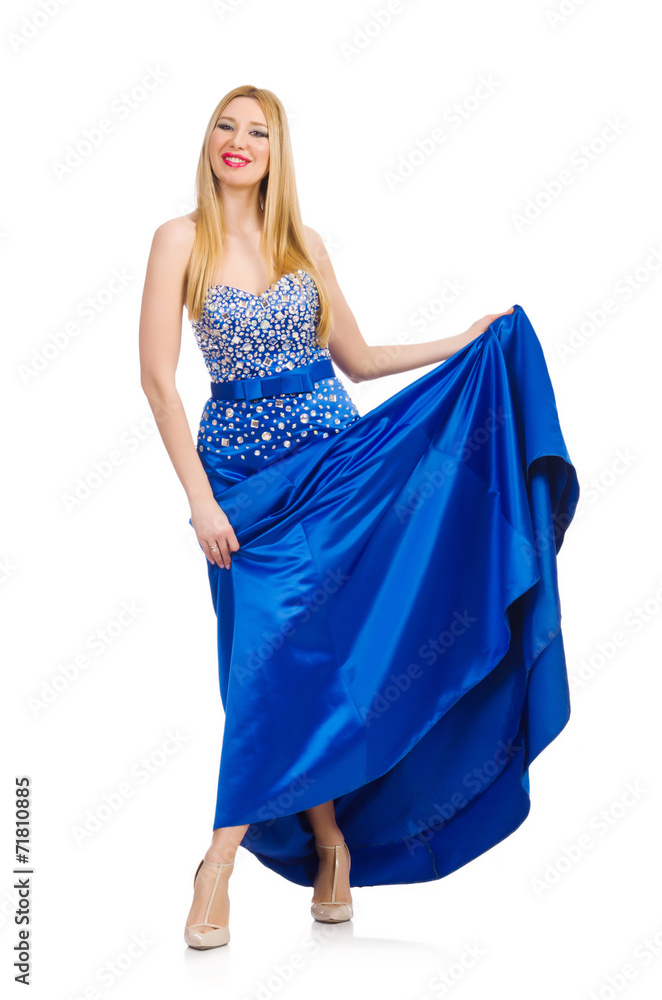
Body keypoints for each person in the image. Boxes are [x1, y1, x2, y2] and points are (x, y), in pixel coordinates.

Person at [139, 85, 579, 950]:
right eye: (226, 125)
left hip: (338, 472)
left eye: (258, 131)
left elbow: (362, 359)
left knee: (320, 662)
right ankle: (325, 843)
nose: (238, 141)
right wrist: (199, 500)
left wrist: (465, 342)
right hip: (241, 488)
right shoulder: (178, 239)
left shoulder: (303, 244)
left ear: (277, 151)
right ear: (209, 142)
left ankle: (229, 859)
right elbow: (158, 382)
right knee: (267, 665)